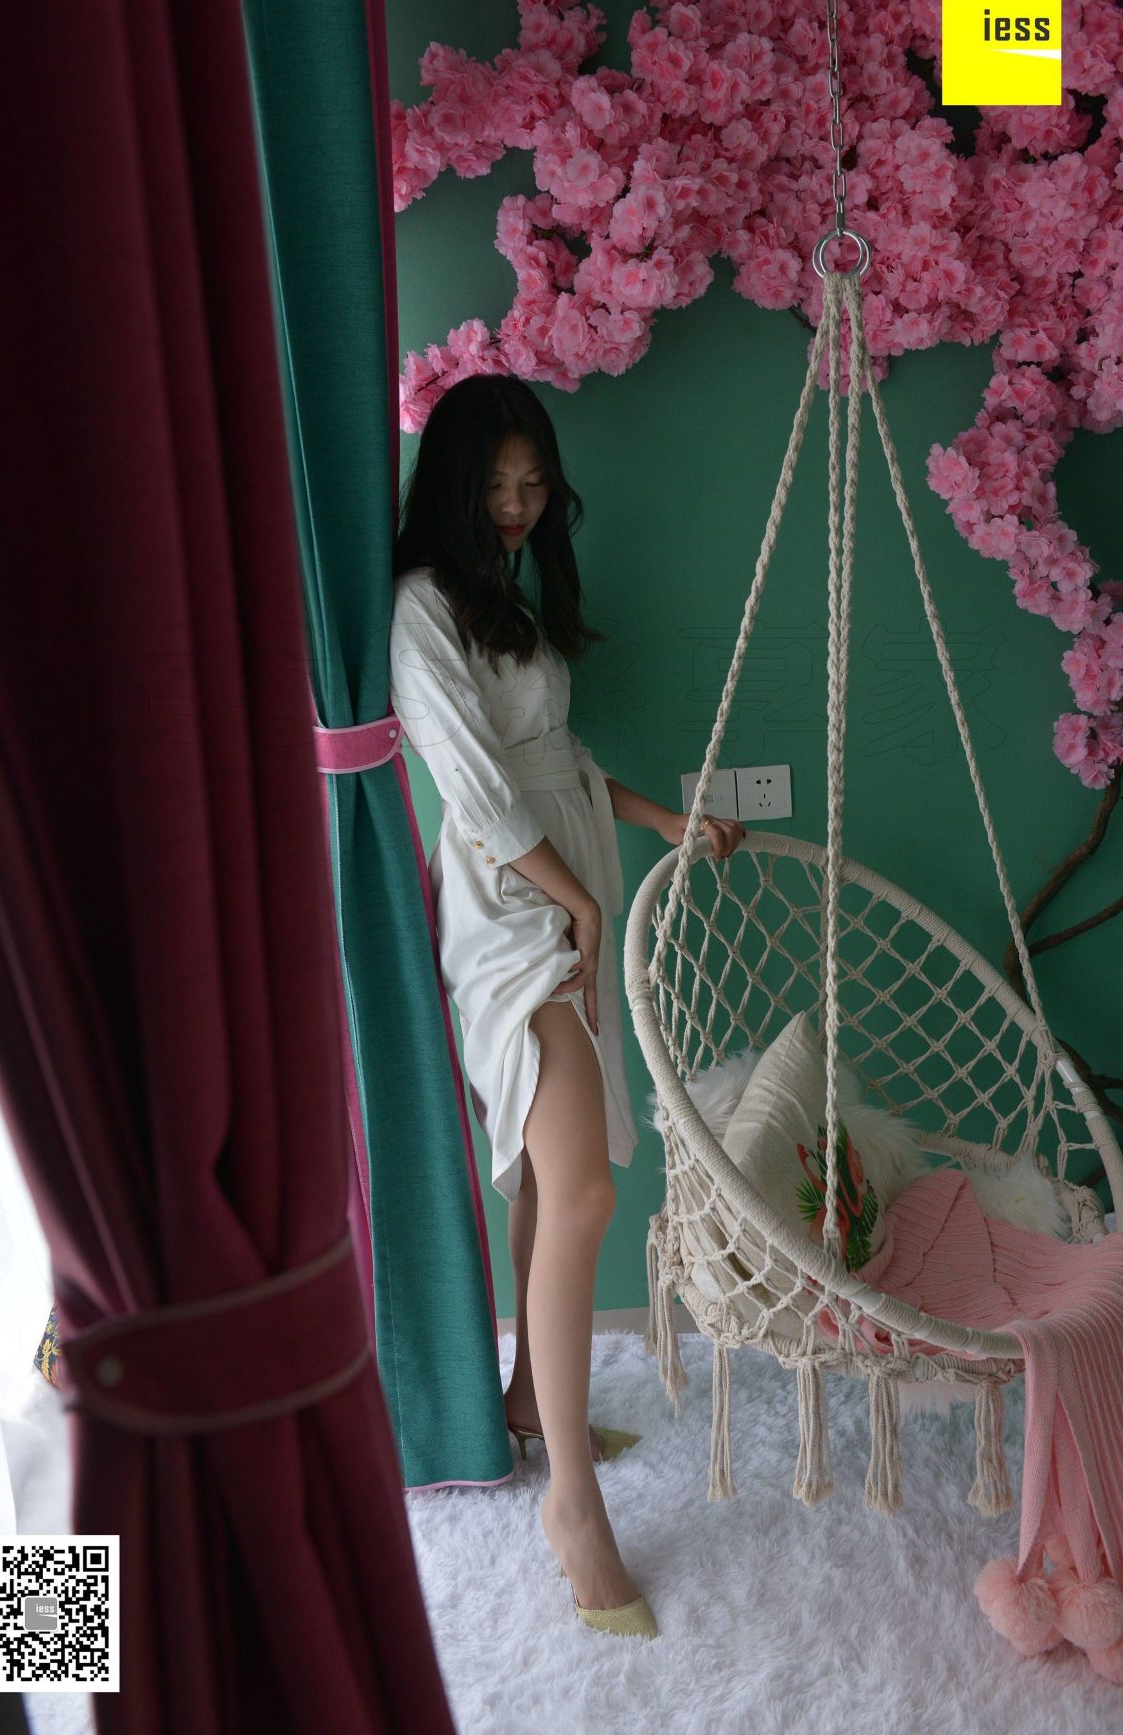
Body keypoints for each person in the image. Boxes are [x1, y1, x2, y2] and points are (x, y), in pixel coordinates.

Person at [388, 374, 744, 1639]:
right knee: (584, 1187)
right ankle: (572, 1510)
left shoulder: (506, 595)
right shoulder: (422, 604)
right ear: (450, 483)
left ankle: (533, 1405)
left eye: (534, 485)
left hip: (567, 870)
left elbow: (559, 761)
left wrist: (664, 822)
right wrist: (580, 905)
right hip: (510, 904)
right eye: (494, 484)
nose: (517, 505)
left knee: (554, 1176)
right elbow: (477, 789)